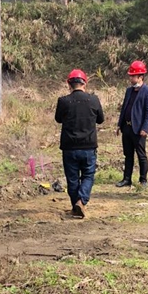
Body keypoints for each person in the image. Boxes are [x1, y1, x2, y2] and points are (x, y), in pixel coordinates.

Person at [54, 69, 104, 218]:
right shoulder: (93, 100)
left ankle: (76, 205)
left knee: (72, 178)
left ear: (69, 84)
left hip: (69, 147)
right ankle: (81, 201)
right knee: (88, 175)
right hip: (88, 146)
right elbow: (100, 119)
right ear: (85, 83)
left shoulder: (63, 101)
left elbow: (58, 119)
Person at [115, 60, 148, 190]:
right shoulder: (129, 91)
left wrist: (145, 128)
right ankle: (127, 179)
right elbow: (124, 108)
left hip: (138, 129)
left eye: (133, 76)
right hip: (126, 127)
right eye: (130, 76)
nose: (131, 78)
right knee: (128, 155)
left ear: (140, 76)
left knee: (141, 155)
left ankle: (143, 179)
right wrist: (119, 124)